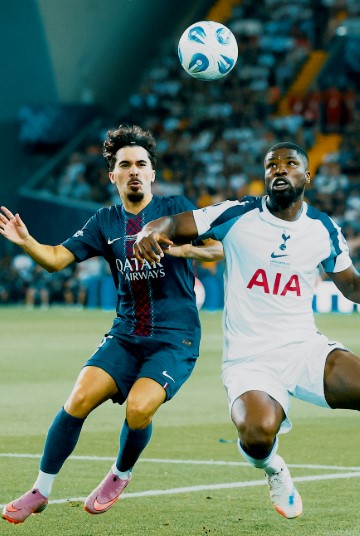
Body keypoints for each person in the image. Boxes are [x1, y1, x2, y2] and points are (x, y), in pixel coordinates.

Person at [133, 141, 360, 524]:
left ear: (307, 175)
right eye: (272, 165)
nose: (280, 169)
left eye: (290, 163)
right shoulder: (237, 214)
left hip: (303, 348)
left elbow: (352, 285)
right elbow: (173, 224)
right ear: (265, 175)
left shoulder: (322, 228)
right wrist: (149, 230)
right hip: (249, 359)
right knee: (257, 433)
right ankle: (274, 469)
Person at [0, 124, 223, 524]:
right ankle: (40, 490)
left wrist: (180, 250)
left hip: (175, 338)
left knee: (139, 409)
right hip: (125, 335)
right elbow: (55, 260)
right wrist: (27, 241)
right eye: (125, 165)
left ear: (152, 173)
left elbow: (219, 248)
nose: (134, 170)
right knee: (78, 398)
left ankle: (120, 473)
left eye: (141, 164)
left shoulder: (176, 209)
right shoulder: (104, 221)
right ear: (112, 175)